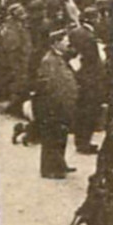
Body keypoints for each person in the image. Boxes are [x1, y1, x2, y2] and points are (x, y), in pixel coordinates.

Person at [33, 29, 79, 180]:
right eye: (64, 40)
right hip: (54, 106)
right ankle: (49, 169)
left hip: (62, 105)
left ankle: (60, 164)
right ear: (55, 43)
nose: (67, 43)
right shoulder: (49, 61)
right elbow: (48, 86)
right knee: (52, 138)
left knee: (60, 136)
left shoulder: (59, 58)